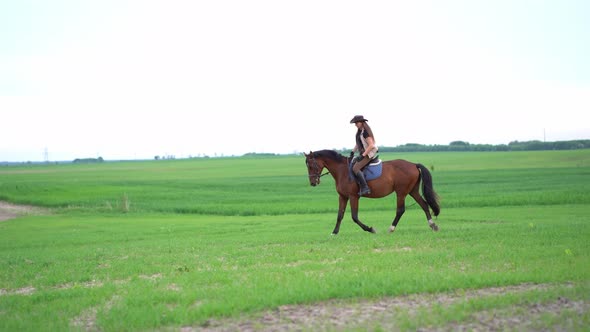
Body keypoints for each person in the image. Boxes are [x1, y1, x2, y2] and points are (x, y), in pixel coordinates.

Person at [350, 115, 378, 196]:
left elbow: (371, 145)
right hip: (364, 153)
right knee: (352, 162)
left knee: (355, 168)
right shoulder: (360, 132)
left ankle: (365, 188)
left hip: (369, 153)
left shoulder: (365, 132)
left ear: (362, 122)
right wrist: (352, 152)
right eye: (355, 123)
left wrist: (363, 155)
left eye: (357, 122)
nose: (355, 124)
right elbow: (358, 143)